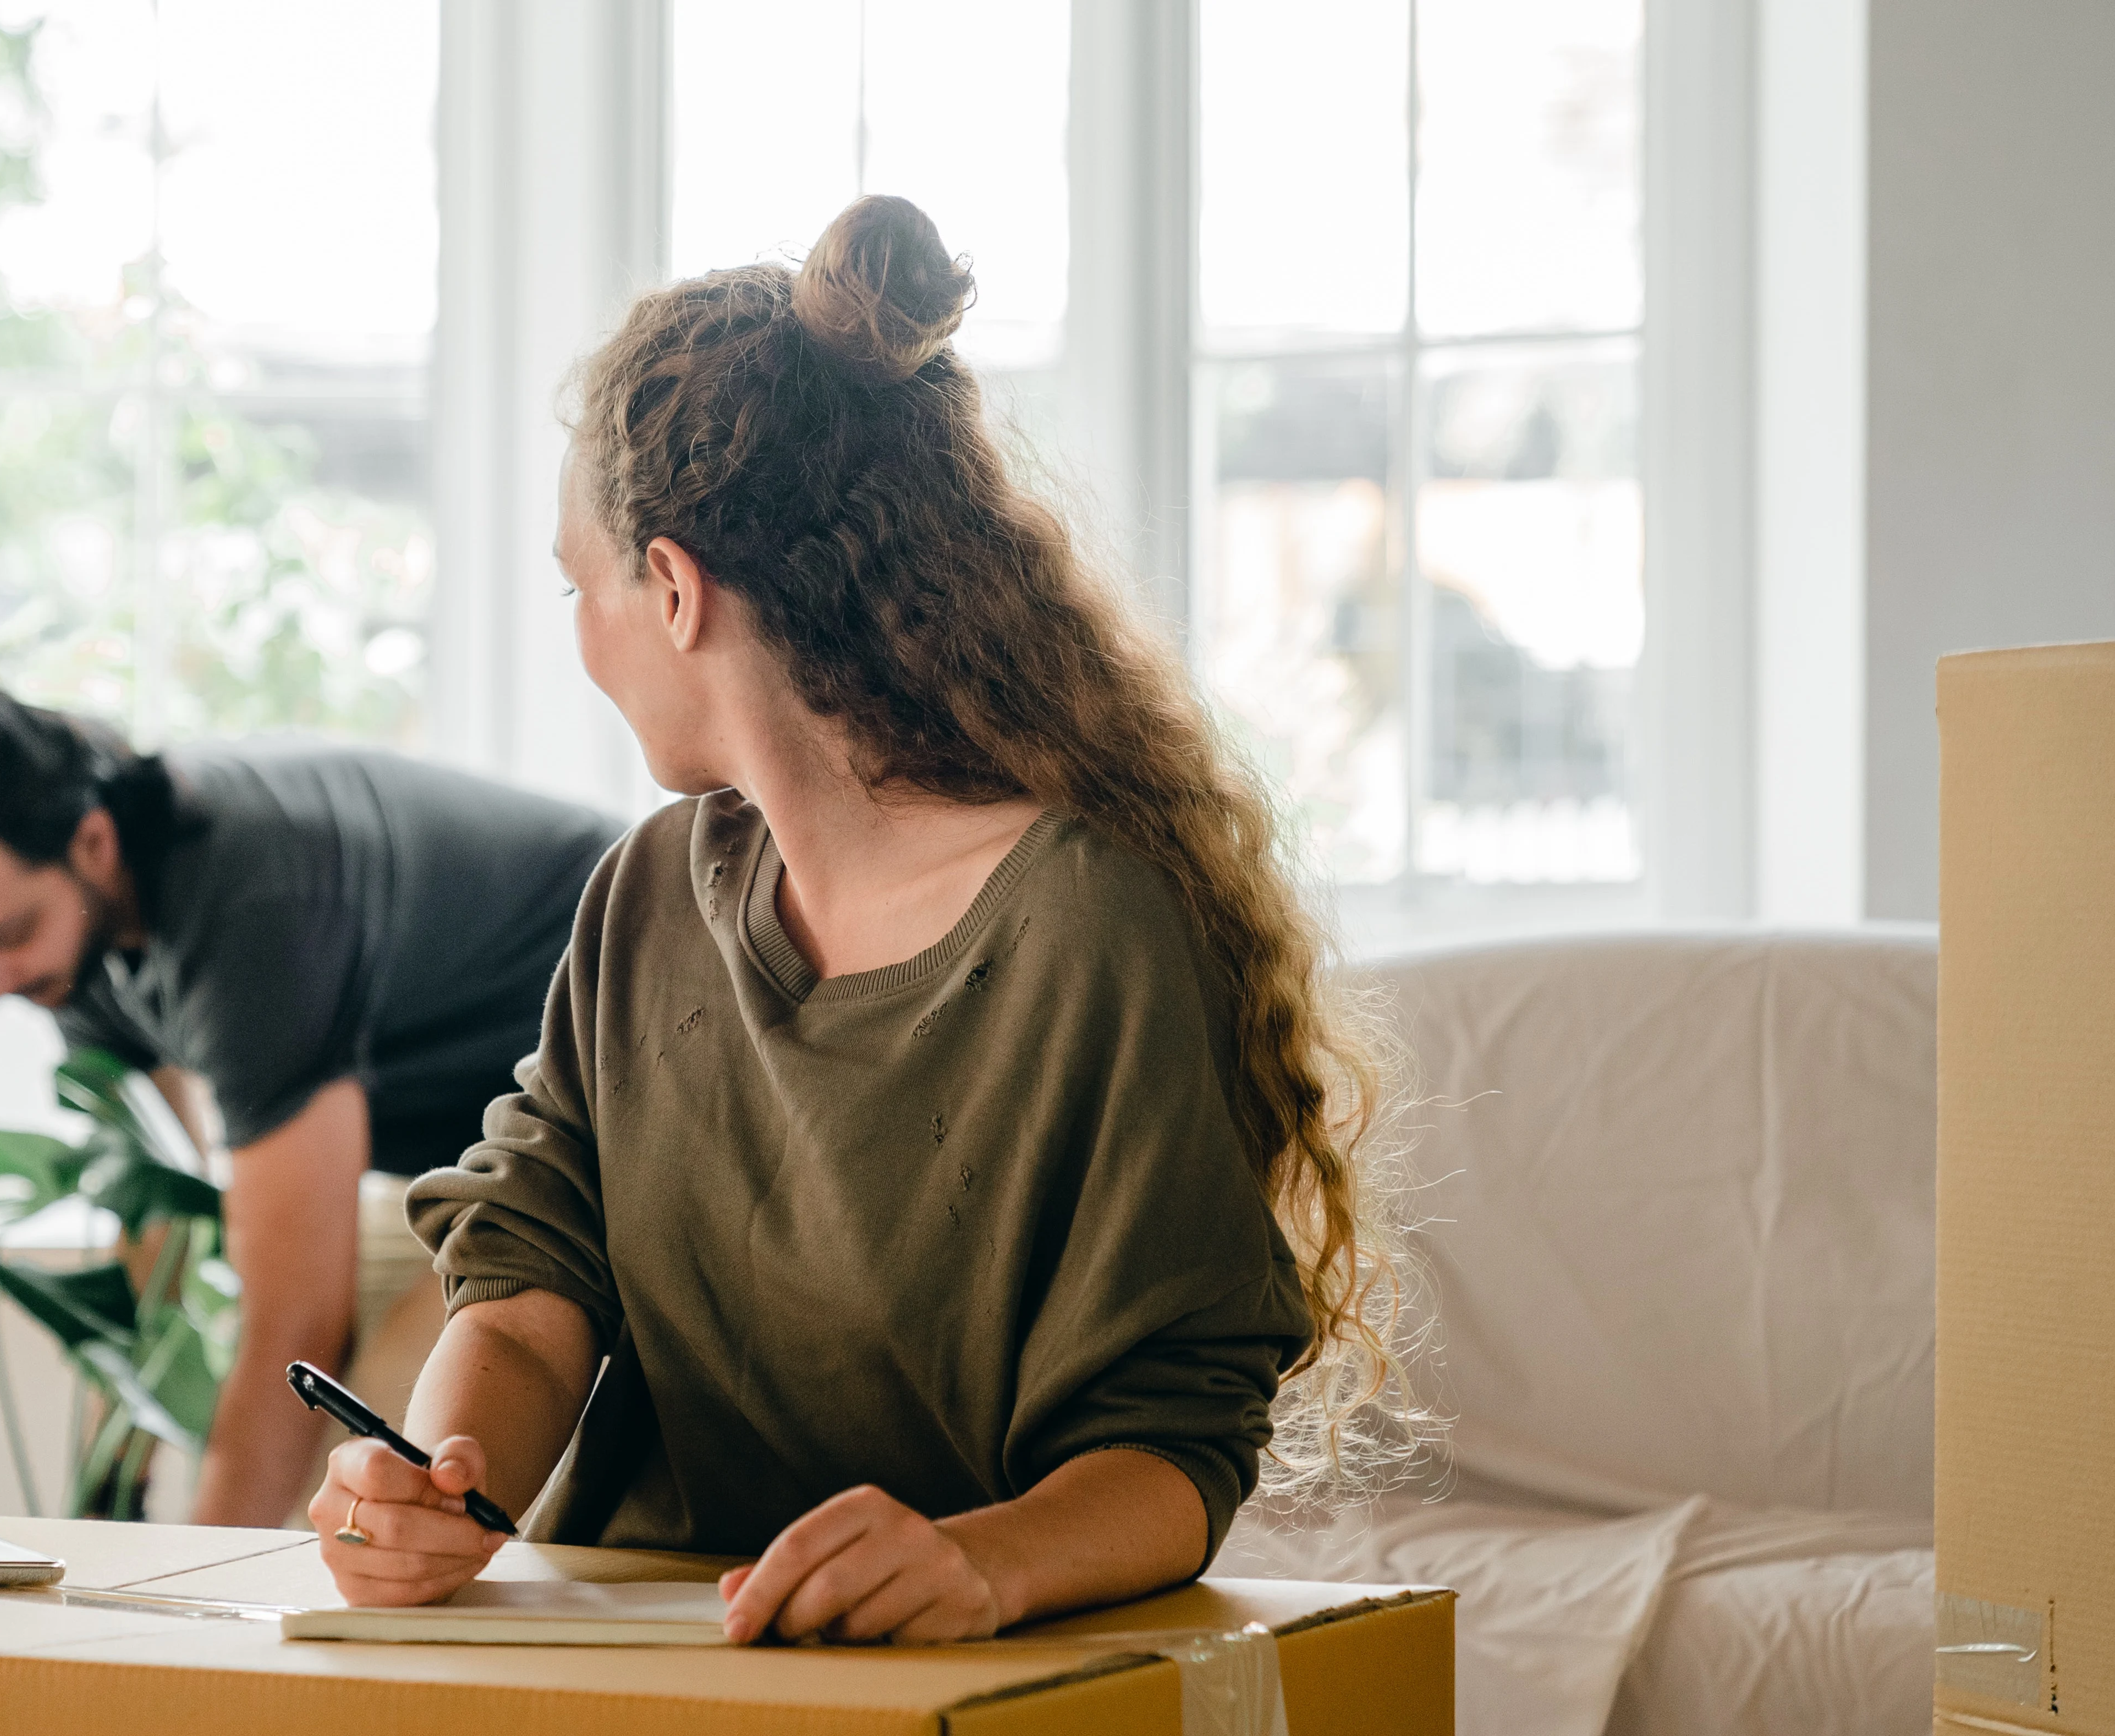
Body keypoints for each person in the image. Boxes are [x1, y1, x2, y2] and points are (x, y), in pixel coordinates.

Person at [310, 195, 1406, 1642]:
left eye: (579, 586)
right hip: (634, 1674)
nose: (581, 638)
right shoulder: (647, 890)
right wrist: (438, 1481)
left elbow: (1175, 1448)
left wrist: (984, 1561)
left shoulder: (1089, 924)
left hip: (947, 1679)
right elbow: (527, 1278)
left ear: (675, 590)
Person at [0, 607, 626, 1527]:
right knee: (301, 1456)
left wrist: (174, 1607)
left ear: (92, 843)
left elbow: (296, 1323)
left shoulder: (251, 905)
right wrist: (109, 1513)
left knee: (378, 1467)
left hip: (622, 1110)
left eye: (6, 939)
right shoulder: (75, 944)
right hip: (467, 1151)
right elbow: (163, 1210)